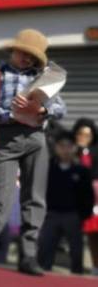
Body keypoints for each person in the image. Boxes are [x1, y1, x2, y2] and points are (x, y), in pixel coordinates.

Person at [0, 29, 66, 276]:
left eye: (32, 56)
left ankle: (28, 257)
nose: (26, 59)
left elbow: (61, 107)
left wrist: (41, 110)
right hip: (8, 139)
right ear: (13, 49)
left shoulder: (45, 76)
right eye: (23, 53)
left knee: (34, 200)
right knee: (0, 198)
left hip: (36, 139)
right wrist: (12, 113)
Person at [37, 131, 92, 274]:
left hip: (73, 216)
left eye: (69, 146)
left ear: (74, 148)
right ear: (56, 147)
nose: (65, 150)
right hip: (51, 215)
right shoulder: (48, 168)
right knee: (45, 248)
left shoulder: (82, 171)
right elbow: (40, 191)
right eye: (62, 146)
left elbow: (88, 196)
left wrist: (83, 215)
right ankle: (43, 275)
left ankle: (77, 277)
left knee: (76, 251)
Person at [73, 117, 98, 274]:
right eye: (81, 134)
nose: (84, 138)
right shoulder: (70, 150)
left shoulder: (96, 151)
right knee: (87, 235)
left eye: (87, 135)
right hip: (76, 199)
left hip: (95, 198)